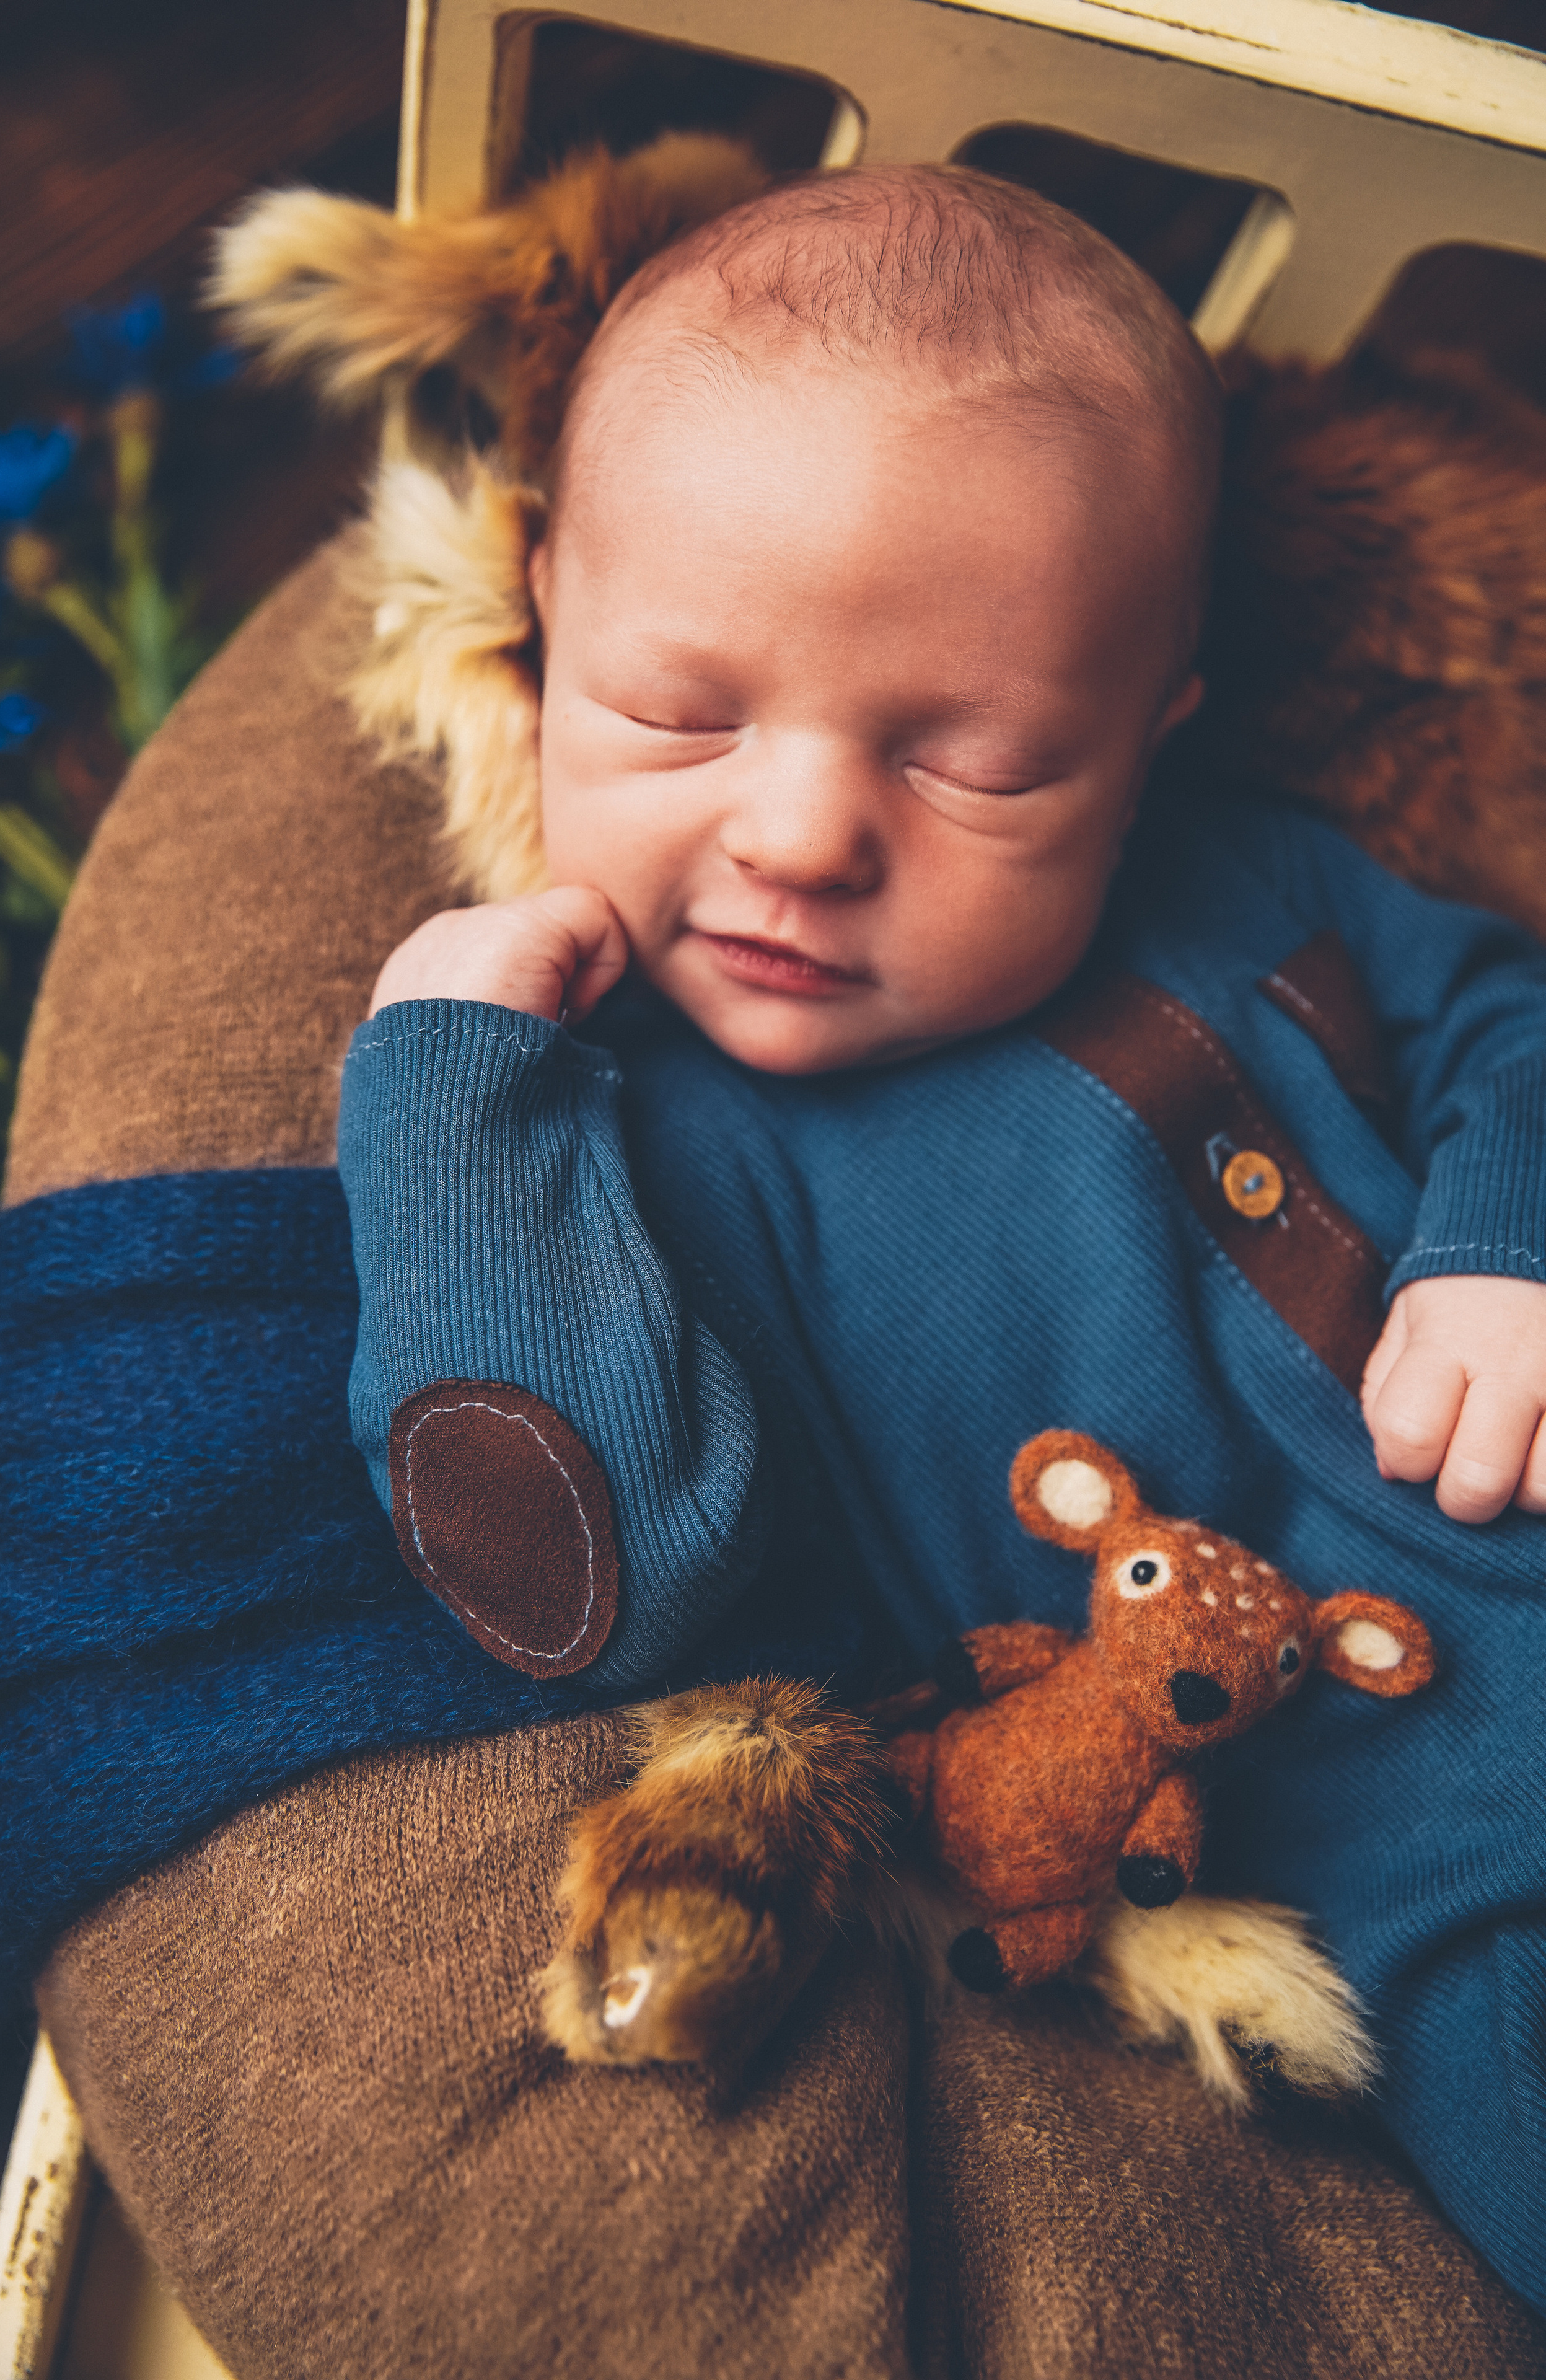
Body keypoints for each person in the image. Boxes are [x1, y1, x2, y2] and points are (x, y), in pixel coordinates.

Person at [334, 165, 1546, 2311]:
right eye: (678, 712)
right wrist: (443, 1088)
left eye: (976, 765)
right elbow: (581, 1574)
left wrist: (1507, 1242)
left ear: (1147, 735)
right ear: (542, 620)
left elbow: (1507, 1016)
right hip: (1443, 1859)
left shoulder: (1248, 873)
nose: (802, 832)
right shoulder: (636, 1145)